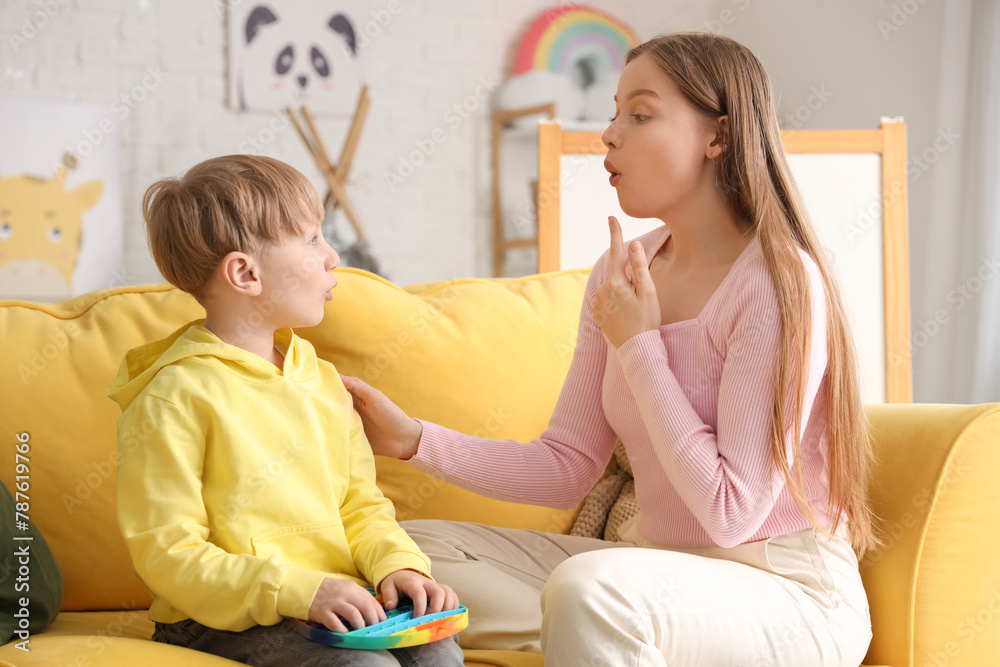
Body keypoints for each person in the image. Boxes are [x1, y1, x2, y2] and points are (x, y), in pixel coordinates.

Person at [340, 32, 877, 666]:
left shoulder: (779, 283)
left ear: (719, 136)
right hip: (649, 576)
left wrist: (640, 345)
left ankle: (596, 631)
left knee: (586, 591)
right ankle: (600, 642)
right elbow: (567, 463)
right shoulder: (621, 271)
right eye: (614, 113)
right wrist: (412, 440)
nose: (610, 135)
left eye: (641, 115)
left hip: (783, 592)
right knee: (406, 553)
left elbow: (730, 513)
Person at [108, 155, 465, 667]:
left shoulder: (319, 378)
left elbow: (360, 507)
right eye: (313, 239)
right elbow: (169, 553)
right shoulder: (173, 396)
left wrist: (399, 567)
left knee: (437, 651)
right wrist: (297, 591)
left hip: (337, 603)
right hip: (215, 620)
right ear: (245, 273)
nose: (333, 256)